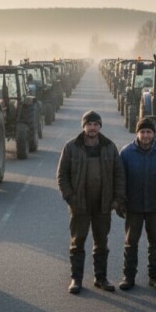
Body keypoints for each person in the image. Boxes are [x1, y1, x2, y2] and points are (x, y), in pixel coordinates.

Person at [57, 110, 126, 294]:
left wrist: (117, 199)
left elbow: (119, 174)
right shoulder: (71, 147)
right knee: (78, 242)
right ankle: (76, 279)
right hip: (79, 204)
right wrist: (70, 198)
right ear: (84, 126)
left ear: (100, 126)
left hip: (103, 204)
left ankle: (101, 278)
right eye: (89, 124)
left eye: (96, 124)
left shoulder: (109, 146)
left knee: (101, 242)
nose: (92, 128)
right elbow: (62, 175)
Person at [119, 118, 156, 291]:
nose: (145, 135)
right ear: (137, 133)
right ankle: (128, 277)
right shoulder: (126, 152)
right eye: (142, 132)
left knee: (155, 242)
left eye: (149, 132)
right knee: (131, 243)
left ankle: (155, 277)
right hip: (133, 206)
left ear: (154, 134)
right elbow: (120, 180)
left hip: (155, 206)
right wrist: (119, 201)